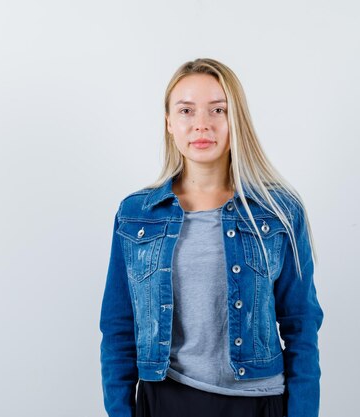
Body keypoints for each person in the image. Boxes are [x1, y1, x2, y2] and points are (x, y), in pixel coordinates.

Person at [99, 58, 324, 417]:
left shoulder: (279, 211)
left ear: (236, 120)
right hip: (165, 399)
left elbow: (301, 326)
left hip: (257, 402)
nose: (201, 124)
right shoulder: (136, 214)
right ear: (169, 122)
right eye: (186, 110)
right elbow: (118, 329)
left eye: (217, 109)